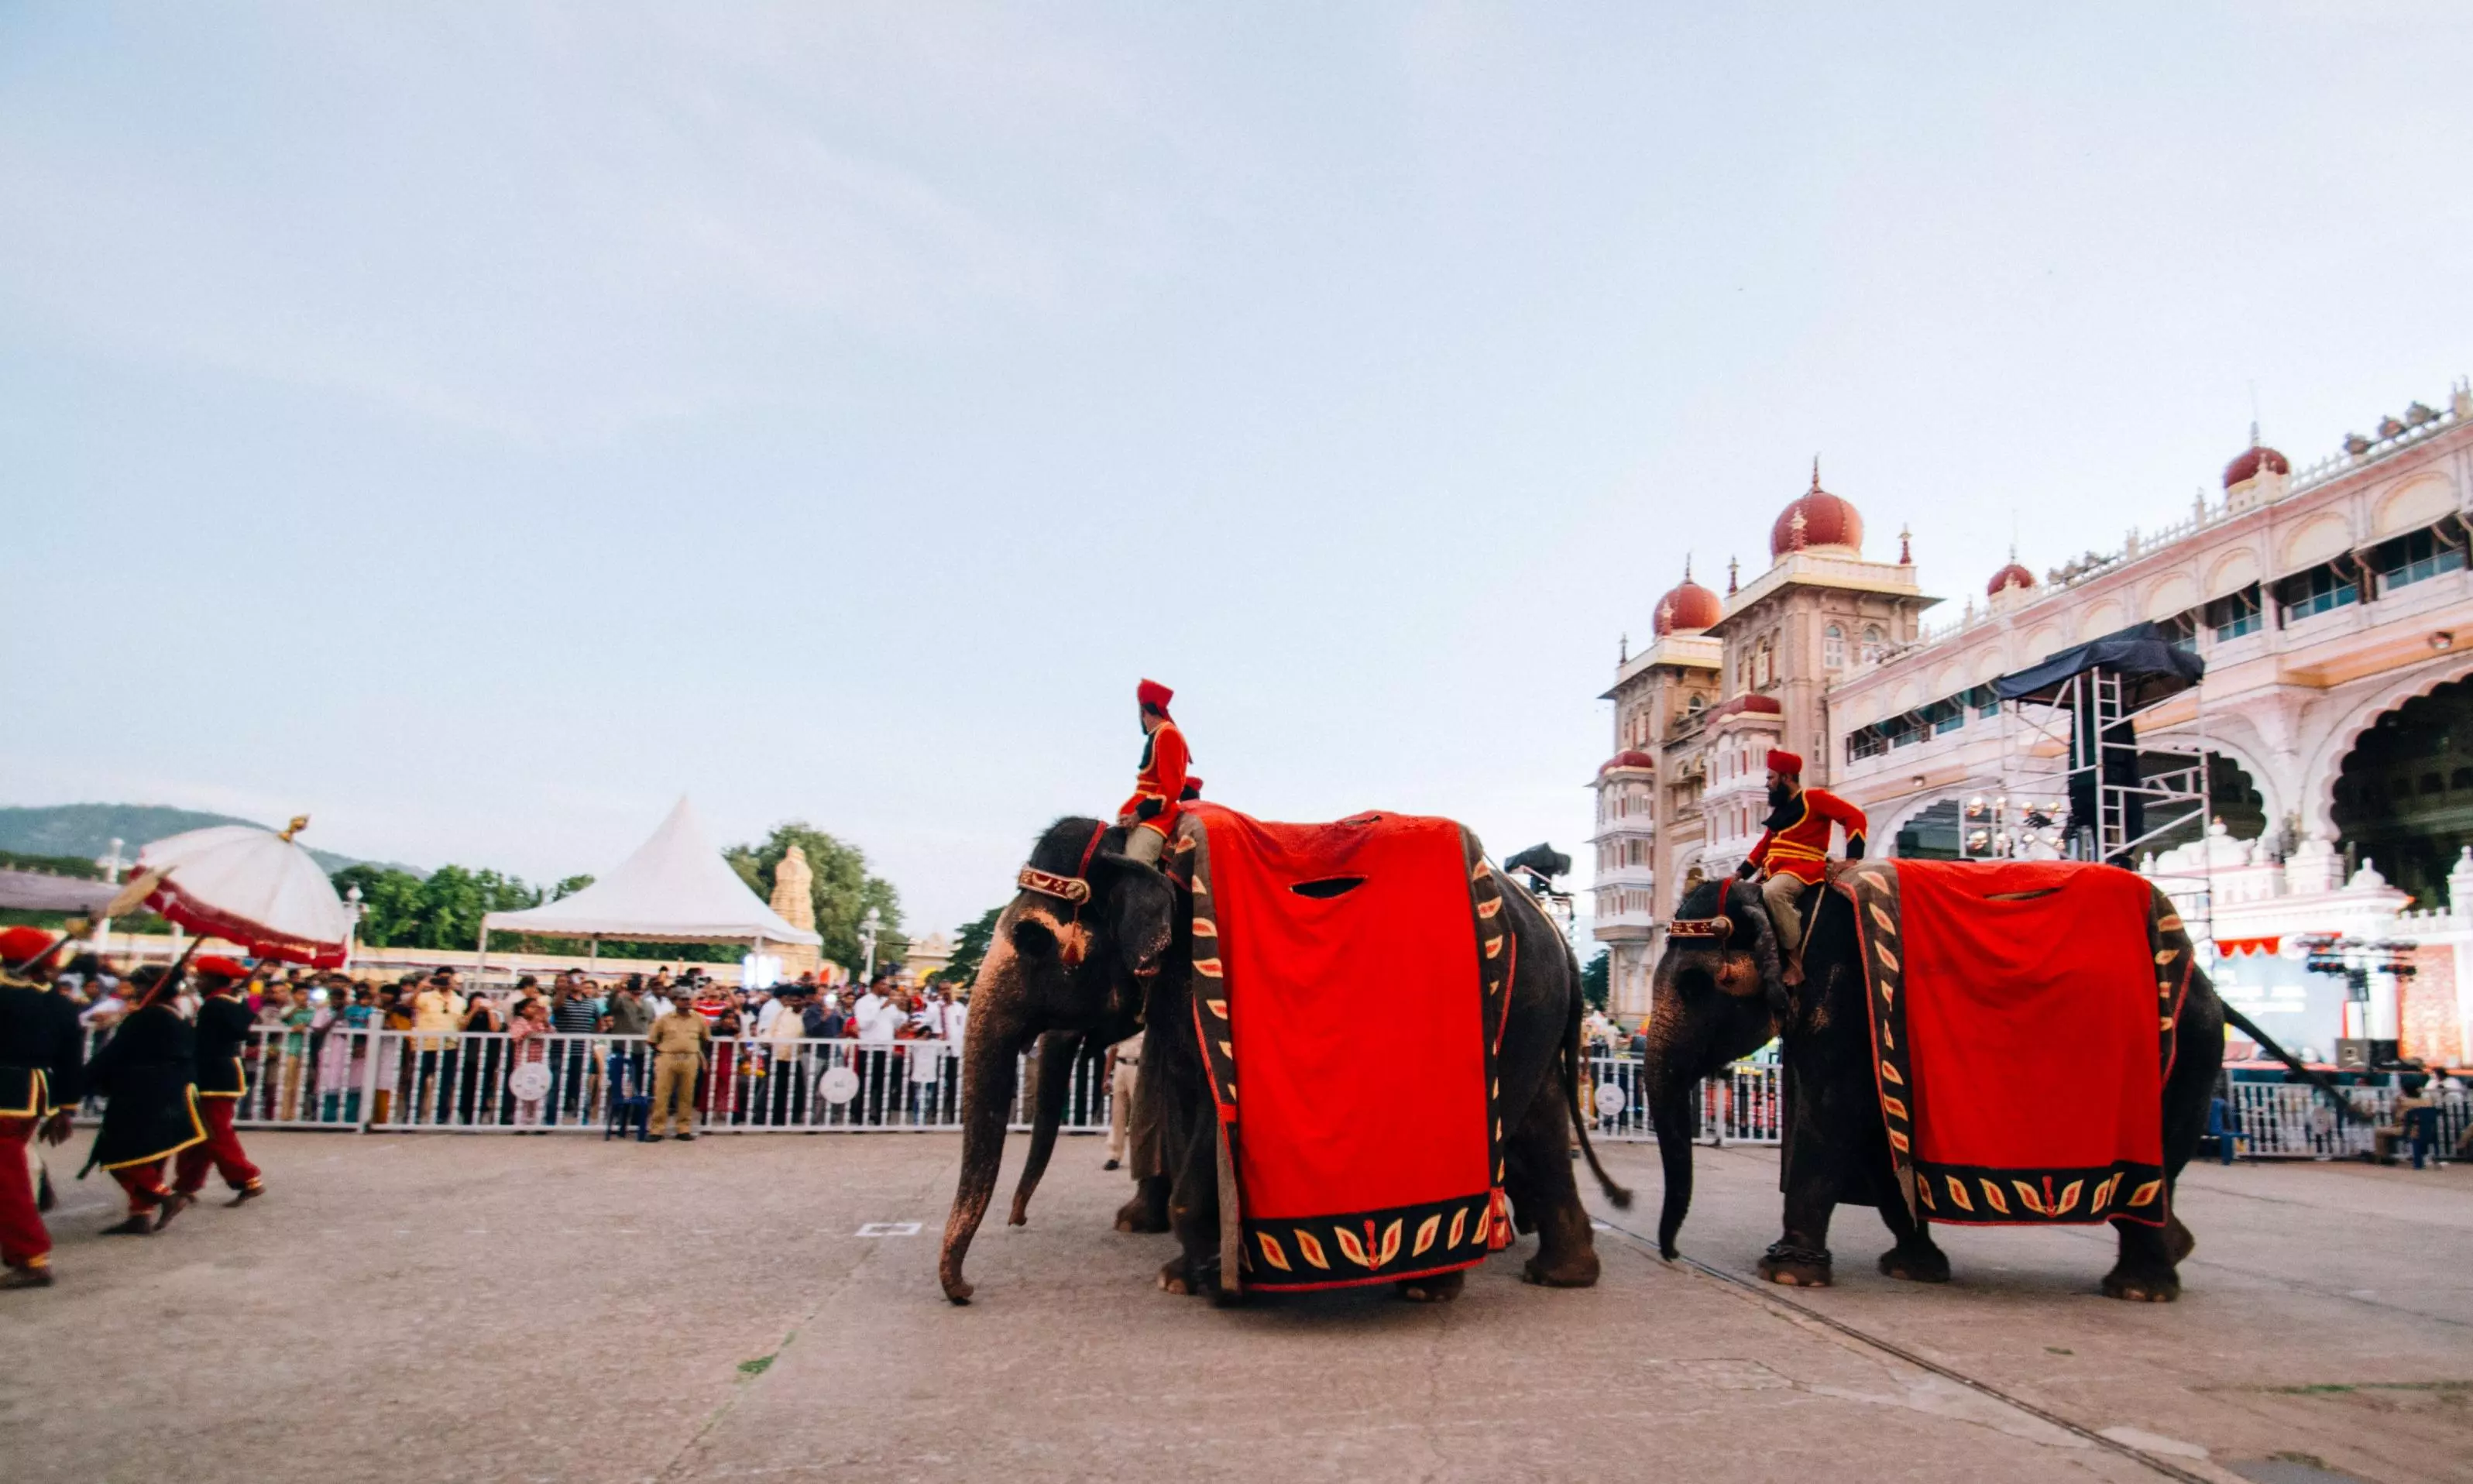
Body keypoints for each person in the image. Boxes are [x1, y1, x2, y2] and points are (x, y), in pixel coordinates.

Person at [82, 965, 207, 1235]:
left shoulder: (147, 1017)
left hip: (144, 1092)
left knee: (119, 1153)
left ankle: (164, 1196)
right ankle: (140, 1215)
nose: (134, 990)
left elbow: (113, 1055)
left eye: (139, 985)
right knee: (151, 1157)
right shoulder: (178, 1015)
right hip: (174, 1090)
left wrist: (80, 1083)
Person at [1734, 748, 1867, 981]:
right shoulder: (1782, 809)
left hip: (1803, 869)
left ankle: (1795, 962)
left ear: (1786, 777)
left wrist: (1852, 858)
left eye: (1771, 777)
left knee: (1774, 894)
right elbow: (1764, 846)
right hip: (1774, 870)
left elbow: (1854, 816)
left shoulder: (1814, 798)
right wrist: (1738, 875)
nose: (1767, 784)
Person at [1, 927, 85, 1289]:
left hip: (8, 1093)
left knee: (7, 1179)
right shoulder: (61, 1005)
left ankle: (31, 1255)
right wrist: (65, 1108)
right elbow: (71, 1062)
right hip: (35, 1093)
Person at [174, 957, 266, 1208]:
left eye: (202, 978)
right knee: (200, 1131)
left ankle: (248, 1179)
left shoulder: (216, 1004)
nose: (198, 982)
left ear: (214, 979)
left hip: (214, 1074)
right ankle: (186, 1184)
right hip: (221, 1071)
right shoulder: (233, 1002)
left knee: (215, 1132)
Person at [1117, 678, 1191, 867]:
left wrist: (1139, 814)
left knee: (1135, 865)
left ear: (1143, 711)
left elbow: (1171, 788)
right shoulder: (1159, 734)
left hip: (1156, 819)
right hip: (1139, 815)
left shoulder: (1168, 734)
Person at [643, 995, 711, 1141]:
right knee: (662, 1094)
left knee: (687, 1094)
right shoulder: (664, 1019)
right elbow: (652, 1040)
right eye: (683, 999)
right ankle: (657, 1129)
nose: (687, 1002)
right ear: (675, 1001)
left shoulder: (699, 1018)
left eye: (688, 999)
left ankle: (683, 1129)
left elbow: (705, 1039)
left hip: (690, 1058)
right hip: (668, 1057)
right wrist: (666, 1051)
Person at [410, 970, 466, 1124]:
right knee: (417, 1083)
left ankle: (441, 1116)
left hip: (448, 1046)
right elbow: (410, 1004)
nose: (445, 983)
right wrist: (420, 988)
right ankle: (412, 1116)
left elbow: (461, 1022)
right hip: (425, 1045)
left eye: (448, 980)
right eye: (441, 980)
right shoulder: (426, 996)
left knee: (445, 1084)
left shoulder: (460, 1001)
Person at [1103, 1030, 1144, 1171]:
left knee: (1139, 1115)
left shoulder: (1147, 1027)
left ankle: (1140, 1155)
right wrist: (1106, 1077)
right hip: (1121, 1065)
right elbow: (1113, 1051)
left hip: (1139, 1066)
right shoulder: (1123, 1026)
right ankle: (1114, 1154)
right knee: (1117, 1113)